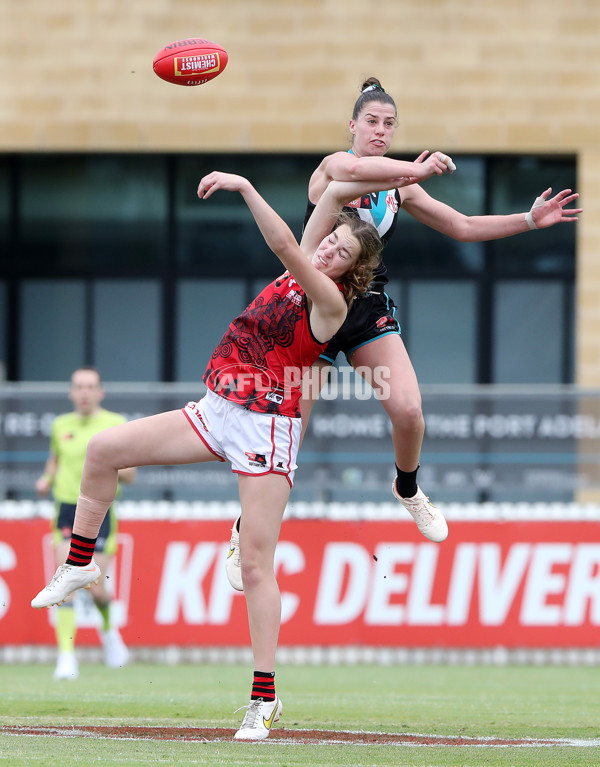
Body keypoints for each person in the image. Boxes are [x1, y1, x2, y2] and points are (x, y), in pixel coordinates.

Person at [31, 166, 451, 739]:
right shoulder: (310, 257)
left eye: (341, 248)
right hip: (216, 408)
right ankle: (79, 563)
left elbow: (284, 242)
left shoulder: (327, 297)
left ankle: (263, 699)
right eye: (329, 237)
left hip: (266, 428)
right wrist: (402, 173)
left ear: (353, 272)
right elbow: (330, 191)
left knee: (255, 564)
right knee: (102, 451)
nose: (327, 244)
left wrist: (245, 186)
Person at [224, 76, 583, 592]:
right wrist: (413, 168)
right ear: (352, 125)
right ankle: (245, 531)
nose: (380, 130)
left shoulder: (401, 185)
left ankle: (408, 488)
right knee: (287, 439)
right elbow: (352, 170)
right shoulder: (332, 167)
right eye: (371, 121)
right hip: (312, 306)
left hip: (363, 306)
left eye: (389, 124)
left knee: (409, 411)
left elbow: (460, 226)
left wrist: (529, 219)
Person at [35, 367, 136, 680]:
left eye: (90, 386)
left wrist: (117, 468)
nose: (84, 392)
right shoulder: (60, 425)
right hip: (67, 509)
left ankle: (109, 633)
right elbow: (55, 459)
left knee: (95, 588)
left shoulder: (115, 425)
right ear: (71, 392)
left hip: (101, 511)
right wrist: (47, 477)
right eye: (79, 386)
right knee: (65, 581)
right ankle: (67, 658)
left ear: (100, 392)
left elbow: (130, 473)